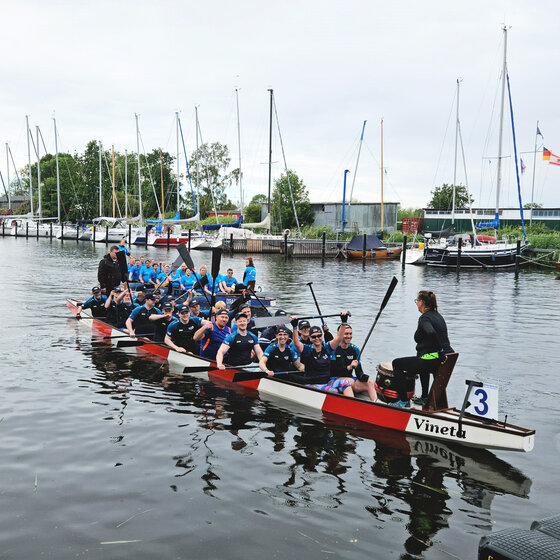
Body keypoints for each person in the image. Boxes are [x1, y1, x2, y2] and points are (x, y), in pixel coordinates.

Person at [391, 290, 454, 407]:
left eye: (417, 301)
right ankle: (425, 397)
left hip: (435, 359)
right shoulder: (438, 316)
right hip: (446, 359)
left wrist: (439, 351)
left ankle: (404, 401)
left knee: (397, 364)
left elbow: (431, 333)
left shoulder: (424, 318)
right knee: (422, 358)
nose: (416, 303)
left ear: (422, 303)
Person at [290, 313, 354, 397]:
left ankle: (350, 405)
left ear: (322, 336)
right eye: (314, 337)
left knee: (346, 383)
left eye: (319, 336)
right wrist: (295, 327)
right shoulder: (308, 349)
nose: (317, 338)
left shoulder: (327, 347)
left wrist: (344, 322)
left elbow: (338, 338)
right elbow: (297, 343)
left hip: (327, 382)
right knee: (333, 391)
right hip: (312, 384)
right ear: (310, 338)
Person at [331, 324, 377, 401]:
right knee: (351, 381)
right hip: (334, 379)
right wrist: (349, 367)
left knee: (370, 383)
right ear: (340, 334)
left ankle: (376, 405)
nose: (349, 336)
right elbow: (333, 370)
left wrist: (363, 377)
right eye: (346, 334)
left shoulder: (355, 349)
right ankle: (353, 406)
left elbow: (359, 372)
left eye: (350, 334)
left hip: (350, 379)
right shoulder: (333, 348)